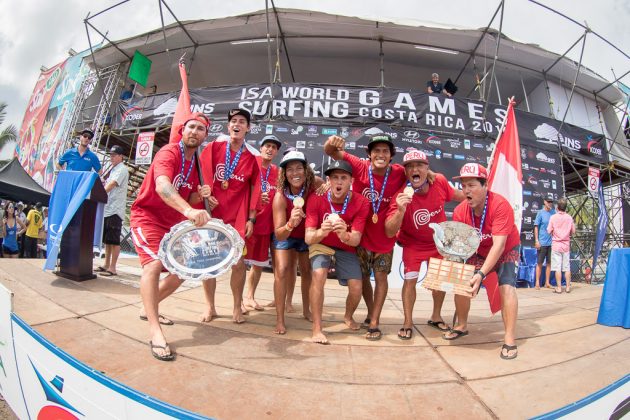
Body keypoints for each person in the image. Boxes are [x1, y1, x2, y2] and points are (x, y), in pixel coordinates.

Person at [130, 113, 212, 361]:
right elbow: (163, 186)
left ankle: (149, 308)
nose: (194, 132)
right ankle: (155, 331)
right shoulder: (169, 152)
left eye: (200, 129)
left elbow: (190, 198)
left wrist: (201, 196)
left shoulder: (197, 163)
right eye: (191, 127)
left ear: (205, 135)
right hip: (148, 217)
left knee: (182, 272)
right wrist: (189, 210)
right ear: (182, 130)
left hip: (172, 224)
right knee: (153, 265)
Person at [324, 133, 408, 340]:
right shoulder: (360, 167)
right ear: (369, 154)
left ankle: (375, 322)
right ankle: (372, 313)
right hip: (360, 236)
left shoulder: (399, 172)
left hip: (384, 238)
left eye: (385, 151)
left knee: (380, 277)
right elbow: (331, 151)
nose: (381, 154)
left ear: (391, 156)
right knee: (363, 279)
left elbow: (419, 172)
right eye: (376, 150)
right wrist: (331, 142)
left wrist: (431, 174)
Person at [385, 150, 465, 340]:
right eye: (410, 166)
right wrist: (401, 210)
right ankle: (407, 322)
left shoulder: (439, 181)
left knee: (439, 284)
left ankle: (436, 316)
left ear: (427, 168)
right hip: (413, 245)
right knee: (410, 281)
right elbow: (389, 231)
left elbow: (457, 195)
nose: (415, 169)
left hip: (438, 244)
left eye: (419, 165)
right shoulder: (400, 196)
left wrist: (476, 195)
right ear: (405, 172)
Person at [451, 163, 520, 360]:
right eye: (463, 186)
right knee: (461, 282)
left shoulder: (500, 205)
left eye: (471, 185)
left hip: (506, 248)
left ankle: (509, 338)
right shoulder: (459, 211)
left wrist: (481, 275)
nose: (466, 191)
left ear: (485, 185)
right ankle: (461, 325)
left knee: (506, 287)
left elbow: (499, 245)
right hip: (479, 251)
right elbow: (462, 245)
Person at [199, 108, 261, 324]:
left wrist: (251, 218)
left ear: (248, 128)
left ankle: (237, 306)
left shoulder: (252, 157)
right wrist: (208, 196)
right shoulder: (214, 148)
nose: (237, 124)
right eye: (233, 121)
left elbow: (256, 189)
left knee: (238, 263)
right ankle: (210, 306)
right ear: (228, 126)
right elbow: (202, 173)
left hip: (237, 218)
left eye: (242, 121)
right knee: (207, 261)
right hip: (211, 214)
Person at [305, 160, 370, 344]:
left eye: (343, 178)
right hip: (321, 243)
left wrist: (344, 234)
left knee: (357, 288)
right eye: (335, 177)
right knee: (318, 274)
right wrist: (322, 231)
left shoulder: (361, 202)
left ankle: (348, 316)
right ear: (329, 180)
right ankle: (317, 328)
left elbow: (356, 239)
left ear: (351, 181)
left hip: (346, 246)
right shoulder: (316, 198)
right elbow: (309, 238)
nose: (339, 182)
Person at [271, 150, 324, 334]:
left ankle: (306, 310)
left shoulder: (315, 183)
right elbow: (279, 235)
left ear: (306, 169)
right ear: (284, 174)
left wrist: (326, 189)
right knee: (282, 270)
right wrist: (290, 223)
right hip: (286, 234)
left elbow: (327, 191)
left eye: (299, 168)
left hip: (306, 235)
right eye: (290, 169)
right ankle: (280, 319)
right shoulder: (280, 196)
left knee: (307, 271)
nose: (295, 173)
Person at [243, 135, 281, 312]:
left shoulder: (277, 172)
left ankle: (250, 297)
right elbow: (241, 190)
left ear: (276, 151)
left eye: (273, 147)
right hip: (247, 223)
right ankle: (238, 302)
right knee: (239, 264)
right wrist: (255, 198)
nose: (270, 149)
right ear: (261, 148)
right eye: (267, 146)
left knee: (257, 264)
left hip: (266, 226)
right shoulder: (251, 163)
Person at [96, 145, 129, 277]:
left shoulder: (122, 170)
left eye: (114, 155)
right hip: (108, 209)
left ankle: (113, 268)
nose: (112, 158)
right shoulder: (114, 169)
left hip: (115, 209)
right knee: (108, 241)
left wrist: (100, 194)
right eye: (110, 155)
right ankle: (106, 264)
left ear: (121, 156)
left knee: (114, 241)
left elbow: (111, 185)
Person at [547, 197, 576, 294]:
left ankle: (559, 288)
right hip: (566, 245)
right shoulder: (569, 217)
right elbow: (573, 231)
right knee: (567, 267)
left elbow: (548, 230)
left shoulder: (553, 217)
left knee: (557, 267)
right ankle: (568, 287)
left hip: (556, 245)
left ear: (558, 207)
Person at [534, 195, 556, 289]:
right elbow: (536, 227)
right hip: (542, 242)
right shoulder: (540, 213)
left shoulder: (553, 212)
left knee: (549, 263)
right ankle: (537, 283)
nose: (550, 203)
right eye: (548, 201)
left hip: (551, 243)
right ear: (544, 202)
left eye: (551, 201)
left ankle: (547, 283)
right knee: (539, 263)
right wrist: (536, 240)